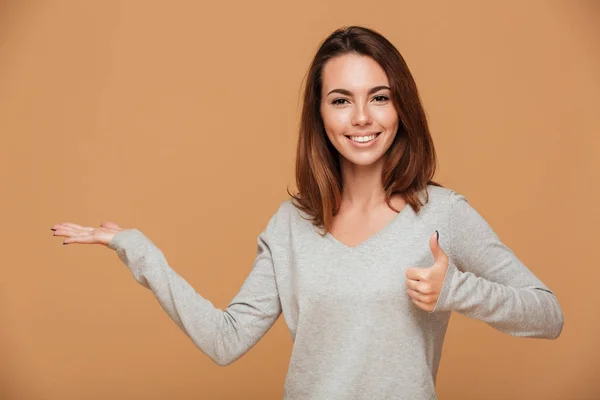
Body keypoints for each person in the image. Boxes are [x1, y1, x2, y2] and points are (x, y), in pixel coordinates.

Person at [51, 25, 564, 400]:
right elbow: (226, 340)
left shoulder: (442, 215)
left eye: (379, 97)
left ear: (400, 107)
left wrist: (457, 291)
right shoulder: (291, 224)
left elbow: (548, 315)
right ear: (319, 114)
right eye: (341, 100)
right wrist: (137, 250)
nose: (362, 117)